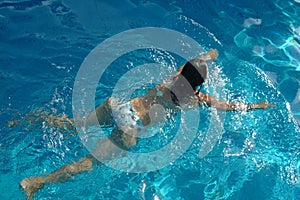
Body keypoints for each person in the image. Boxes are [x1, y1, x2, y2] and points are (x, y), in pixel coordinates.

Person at [19, 49, 275, 200]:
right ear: (198, 86)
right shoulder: (195, 100)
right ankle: (36, 182)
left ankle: (31, 120)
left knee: (78, 125)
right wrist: (256, 106)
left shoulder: (172, 76)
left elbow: (192, 64)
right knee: (87, 164)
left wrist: (208, 56)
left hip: (119, 105)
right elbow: (229, 106)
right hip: (131, 129)